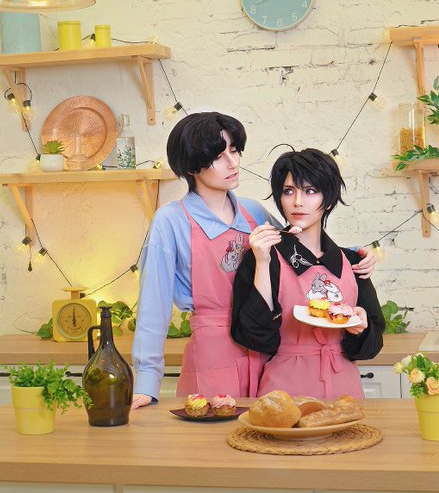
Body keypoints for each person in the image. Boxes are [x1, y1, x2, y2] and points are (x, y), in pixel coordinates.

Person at [131, 113, 376, 409]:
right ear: (192, 165)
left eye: (234, 151)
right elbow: (152, 307)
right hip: (214, 351)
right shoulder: (171, 221)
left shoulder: (253, 212)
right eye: (219, 157)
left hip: (265, 348)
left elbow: (299, 243)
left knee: (264, 430)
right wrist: (147, 382)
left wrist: (354, 256)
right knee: (216, 431)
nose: (233, 163)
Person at [230, 148, 385, 399]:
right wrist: (262, 261)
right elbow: (255, 338)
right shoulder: (263, 256)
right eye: (288, 191)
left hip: (345, 394)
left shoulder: (354, 262)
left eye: (310, 191)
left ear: (329, 199)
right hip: (283, 395)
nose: (298, 202)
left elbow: (371, 347)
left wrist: (361, 327)